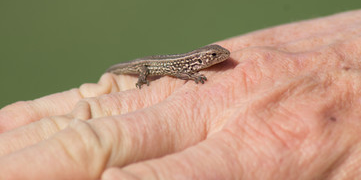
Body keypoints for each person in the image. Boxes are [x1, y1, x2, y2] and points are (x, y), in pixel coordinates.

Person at [1, 10, 361, 180]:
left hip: (165, 62)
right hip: (148, 66)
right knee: (140, 73)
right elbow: (173, 69)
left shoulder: (199, 59)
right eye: (215, 58)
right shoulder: (188, 65)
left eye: (218, 57)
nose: (220, 60)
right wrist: (190, 78)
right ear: (205, 59)